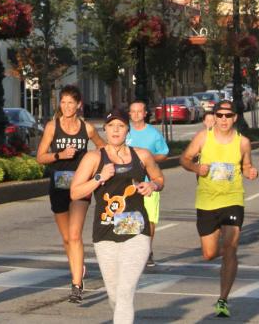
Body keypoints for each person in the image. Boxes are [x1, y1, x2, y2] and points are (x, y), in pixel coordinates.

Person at [70, 112, 166, 324]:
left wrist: (152, 185)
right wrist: (99, 177)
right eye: (111, 125)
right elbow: (75, 192)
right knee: (115, 295)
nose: (115, 130)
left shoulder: (142, 155)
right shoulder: (94, 158)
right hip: (105, 234)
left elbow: (159, 178)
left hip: (136, 231)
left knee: (124, 292)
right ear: (105, 129)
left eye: (120, 126)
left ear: (127, 130)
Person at [179, 100, 258, 318]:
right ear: (214, 117)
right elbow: (183, 158)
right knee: (209, 253)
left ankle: (223, 299)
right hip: (206, 202)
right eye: (220, 115)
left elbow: (247, 165)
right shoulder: (204, 137)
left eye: (228, 115)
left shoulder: (243, 143)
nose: (223, 119)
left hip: (233, 199)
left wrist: (251, 171)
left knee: (231, 247)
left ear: (235, 118)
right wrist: (196, 167)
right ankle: (223, 252)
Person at [35, 85, 101, 303]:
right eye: (63, 102)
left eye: (70, 103)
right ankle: (77, 265)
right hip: (59, 185)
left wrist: (93, 167)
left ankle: (76, 285)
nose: (66, 107)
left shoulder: (87, 129)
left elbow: (105, 149)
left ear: (79, 104)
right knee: (66, 237)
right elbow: (40, 157)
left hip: (80, 186)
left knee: (75, 235)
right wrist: (59, 154)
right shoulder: (53, 127)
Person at [126, 100, 170, 267]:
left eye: (139, 111)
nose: (136, 114)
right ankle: (131, 251)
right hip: (129, 184)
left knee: (149, 219)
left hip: (149, 182)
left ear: (145, 114)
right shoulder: (125, 131)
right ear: (129, 114)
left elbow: (164, 153)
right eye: (133, 111)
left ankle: (147, 250)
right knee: (129, 218)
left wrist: (148, 160)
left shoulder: (153, 134)